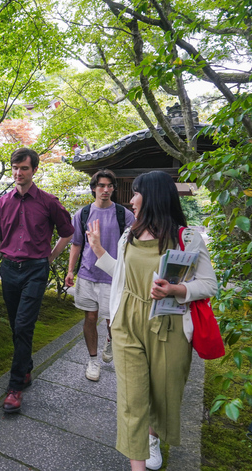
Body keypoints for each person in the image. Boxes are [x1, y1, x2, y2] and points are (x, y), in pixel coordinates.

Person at [86, 170, 217, 471]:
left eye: (135, 193)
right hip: (127, 321)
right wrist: (98, 251)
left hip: (168, 325)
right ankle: (138, 465)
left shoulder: (188, 238)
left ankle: (153, 437)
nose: (130, 200)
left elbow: (209, 284)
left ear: (153, 195)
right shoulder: (128, 234)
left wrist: (177, 289)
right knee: (132, 398)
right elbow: (121, 275)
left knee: (163, 392)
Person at [0, 148, 74, 413]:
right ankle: (25, 369)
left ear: (34, 170)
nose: (18, 173)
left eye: (24, 168)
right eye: (15, 168)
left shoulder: (49, 202)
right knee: (16, 325)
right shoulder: (2, 202)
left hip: (36, 269)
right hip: (9, 270)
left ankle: (15, 388)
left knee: (24, 326)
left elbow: (67, 233)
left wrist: (49, 259)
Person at [65, 170, 135, 382]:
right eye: (101, 185)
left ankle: (111, 340)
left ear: (113, 188)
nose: (105, 190)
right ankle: (93, 360)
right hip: (88, 273)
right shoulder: (83, 214)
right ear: (94, 188)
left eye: (109, 186)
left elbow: (133, 248)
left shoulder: (125, 215)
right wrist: (70, 270)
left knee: (112, 320)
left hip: (113, 276)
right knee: (91, 317)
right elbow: (77, 243)